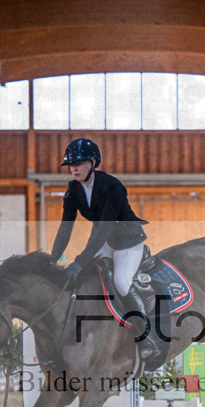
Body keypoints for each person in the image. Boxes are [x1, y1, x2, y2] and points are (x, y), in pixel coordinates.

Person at [50, 137, 158, 362]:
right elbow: (65, 228)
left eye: (79, 163)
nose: (74, 169)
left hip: (128, 242)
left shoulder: (113, 187)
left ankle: (145, 337)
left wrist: (79, 261)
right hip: (106, 242)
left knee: (120, 282)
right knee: (85, 279)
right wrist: (52, 260)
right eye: (71, 165)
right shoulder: (73, 189)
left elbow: (104, 229)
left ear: (93, 163)